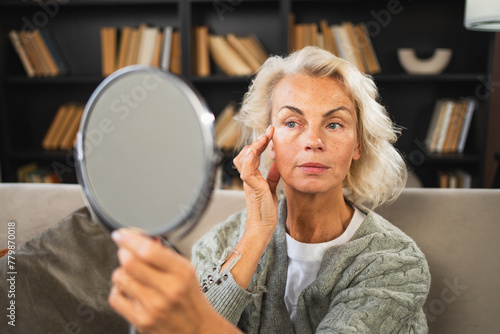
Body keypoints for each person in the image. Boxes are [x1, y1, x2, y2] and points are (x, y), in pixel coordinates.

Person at [108, 46, 431, 333]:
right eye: (292, 123)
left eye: (334, 124)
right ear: (268, 141)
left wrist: (196, 324)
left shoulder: (396, 263)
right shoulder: (219, 243)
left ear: (358, 144)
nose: (313, 142)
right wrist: (256, 233)